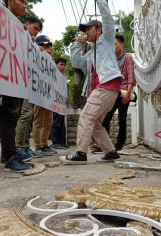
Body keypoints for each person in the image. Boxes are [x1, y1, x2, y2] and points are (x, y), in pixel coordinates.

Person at [60, 0, 122, 165]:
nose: (86, 31)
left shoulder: (107, 40)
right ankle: (110, 152)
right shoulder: (91, 51)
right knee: (95, 123)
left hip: (106, 87)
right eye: (84, 29)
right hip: (106, 90)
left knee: (86, 117)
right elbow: (76, 63)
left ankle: (81, 153)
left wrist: (101, 2)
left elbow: (108, 19)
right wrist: (77, 44)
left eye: (89, 28)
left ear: (99, 30)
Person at [0, 0, 33, 172]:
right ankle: (9, 155)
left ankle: (9, 153)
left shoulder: (17, 25)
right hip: (6, 75)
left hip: (15, 76)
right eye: (22, 1)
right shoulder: (0, 16)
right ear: (11, 1)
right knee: (9, 115)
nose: (24, 5)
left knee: (13, 115)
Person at [99, 35, 136, 151]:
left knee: (122, 119)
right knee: (106, 118)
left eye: (115, 44)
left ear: (121, 44)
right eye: (112, 45)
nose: (113, 47)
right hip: (113, 92)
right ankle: (106, 145)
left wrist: (128, 94)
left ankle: (119, 145)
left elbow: (131, 77)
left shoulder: (128, 58)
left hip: (125, 92)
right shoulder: (111, 59)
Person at [15, 16, 43, 159]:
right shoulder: (20, 37)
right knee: (25, 115)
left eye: (38, 30)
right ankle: (19, 148)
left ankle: (25, 146)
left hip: (29, 83)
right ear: (26, 24)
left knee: (28, 115)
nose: (36, 32)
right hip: (21, 82)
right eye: (35, 28)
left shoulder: (32, 43)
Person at [32, 35, 58, 156]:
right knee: (39, 121)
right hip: (39, 93)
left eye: (49, 46)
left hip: (49, 94)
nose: (48, 48)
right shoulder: (35, 57)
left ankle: (44, 144)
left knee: (48, 121)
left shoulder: (51, 61)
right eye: (44, 45)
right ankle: (37, 146)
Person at [51, 57, 67, 149]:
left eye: (64, 65)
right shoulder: (53, 75)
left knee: (62, 124)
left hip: (62, 103)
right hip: (55, 102)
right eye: (61, 64)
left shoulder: (63, 77)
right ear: (56, 65)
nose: (62, 66)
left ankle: (62, 143)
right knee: (56, 122)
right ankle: (55, 143)